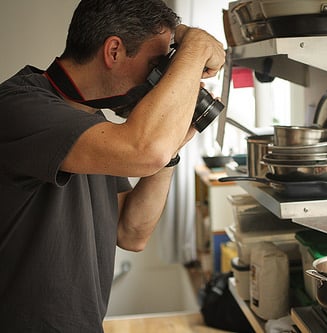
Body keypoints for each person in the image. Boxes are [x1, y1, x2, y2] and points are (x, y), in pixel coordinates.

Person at [0, 0, 225, 331]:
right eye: (156, 65)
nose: (160, 80)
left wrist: (173, 143)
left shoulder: (95, 123)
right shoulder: (20, 107)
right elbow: (144, 150)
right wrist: (197, 46)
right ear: (114, 51)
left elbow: (131, 232)